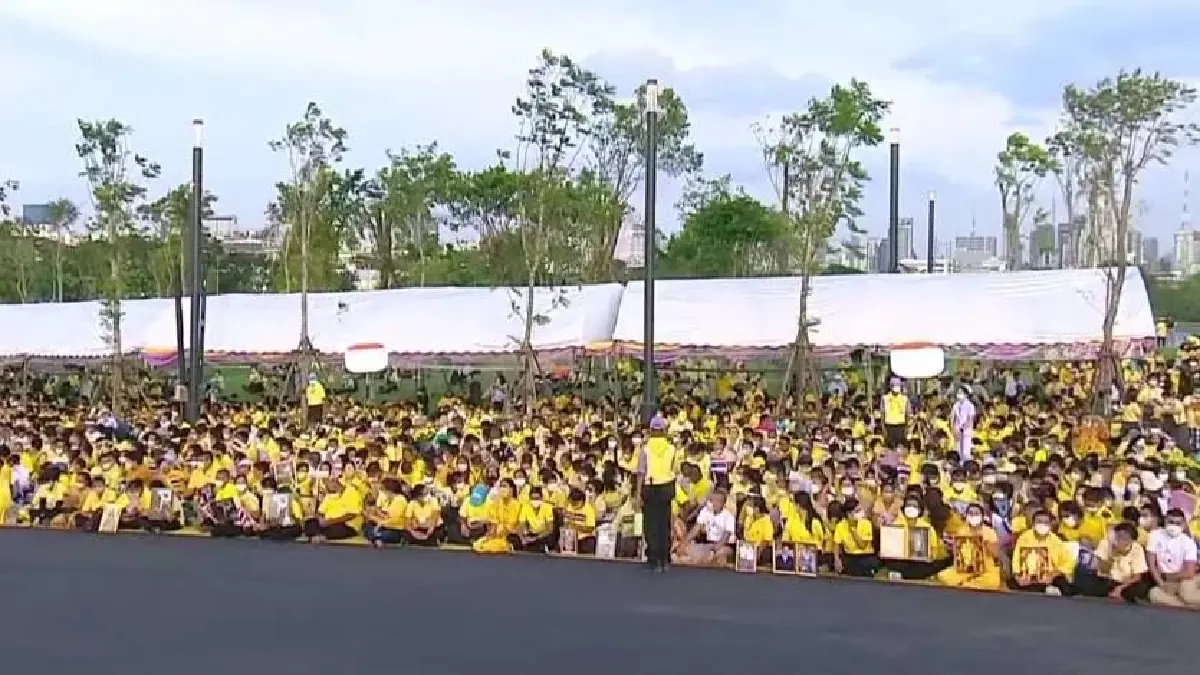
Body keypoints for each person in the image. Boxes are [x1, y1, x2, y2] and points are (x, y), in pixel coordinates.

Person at [638, 414, 678, 572]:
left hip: (651, 486)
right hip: (667, 486)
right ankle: (665, 559)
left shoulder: (645, 449)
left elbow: (641, 472)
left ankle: (654, 558)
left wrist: (638, 494)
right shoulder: (672, 449)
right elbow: (674, 469)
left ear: (651, 430)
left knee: (651, 524)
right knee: (664, 523)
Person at [1146, 508, 1200, 607]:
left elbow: (1189, 573)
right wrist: (1162, 584)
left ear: (1183, 524)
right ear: (1165, 521)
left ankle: (1188, 604)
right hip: (1164, 580)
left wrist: (1169, 577)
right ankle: (1190, 607)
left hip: (1184, 579)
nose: (1174, 525)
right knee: (1154, 594)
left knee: (1187, 594)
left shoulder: (1188, 542)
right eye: (1171, 522)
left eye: (1178, 523)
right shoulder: (1154, 535)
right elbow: (1151, 564)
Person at [881, 378, 909, 449]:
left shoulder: (905, 398)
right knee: (890, 447)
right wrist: (883, 428)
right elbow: (882, 414)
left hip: (901, 426)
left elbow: (907, 414)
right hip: (889, 426)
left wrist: (906, 428)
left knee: (900, 447)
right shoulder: (885, 398)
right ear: (891, 387)